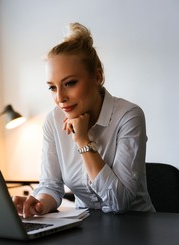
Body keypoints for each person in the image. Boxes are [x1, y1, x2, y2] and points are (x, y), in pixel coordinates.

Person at [13, 22, 155, 218]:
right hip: (85, 227)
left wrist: (83, 141)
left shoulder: (128, 115)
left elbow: (120, 202)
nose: (60, 98)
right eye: (52, 87)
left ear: (97, 76)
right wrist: (39, 204)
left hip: (135, 227)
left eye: (70, 83)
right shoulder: (53, 120)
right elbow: (51, 186)